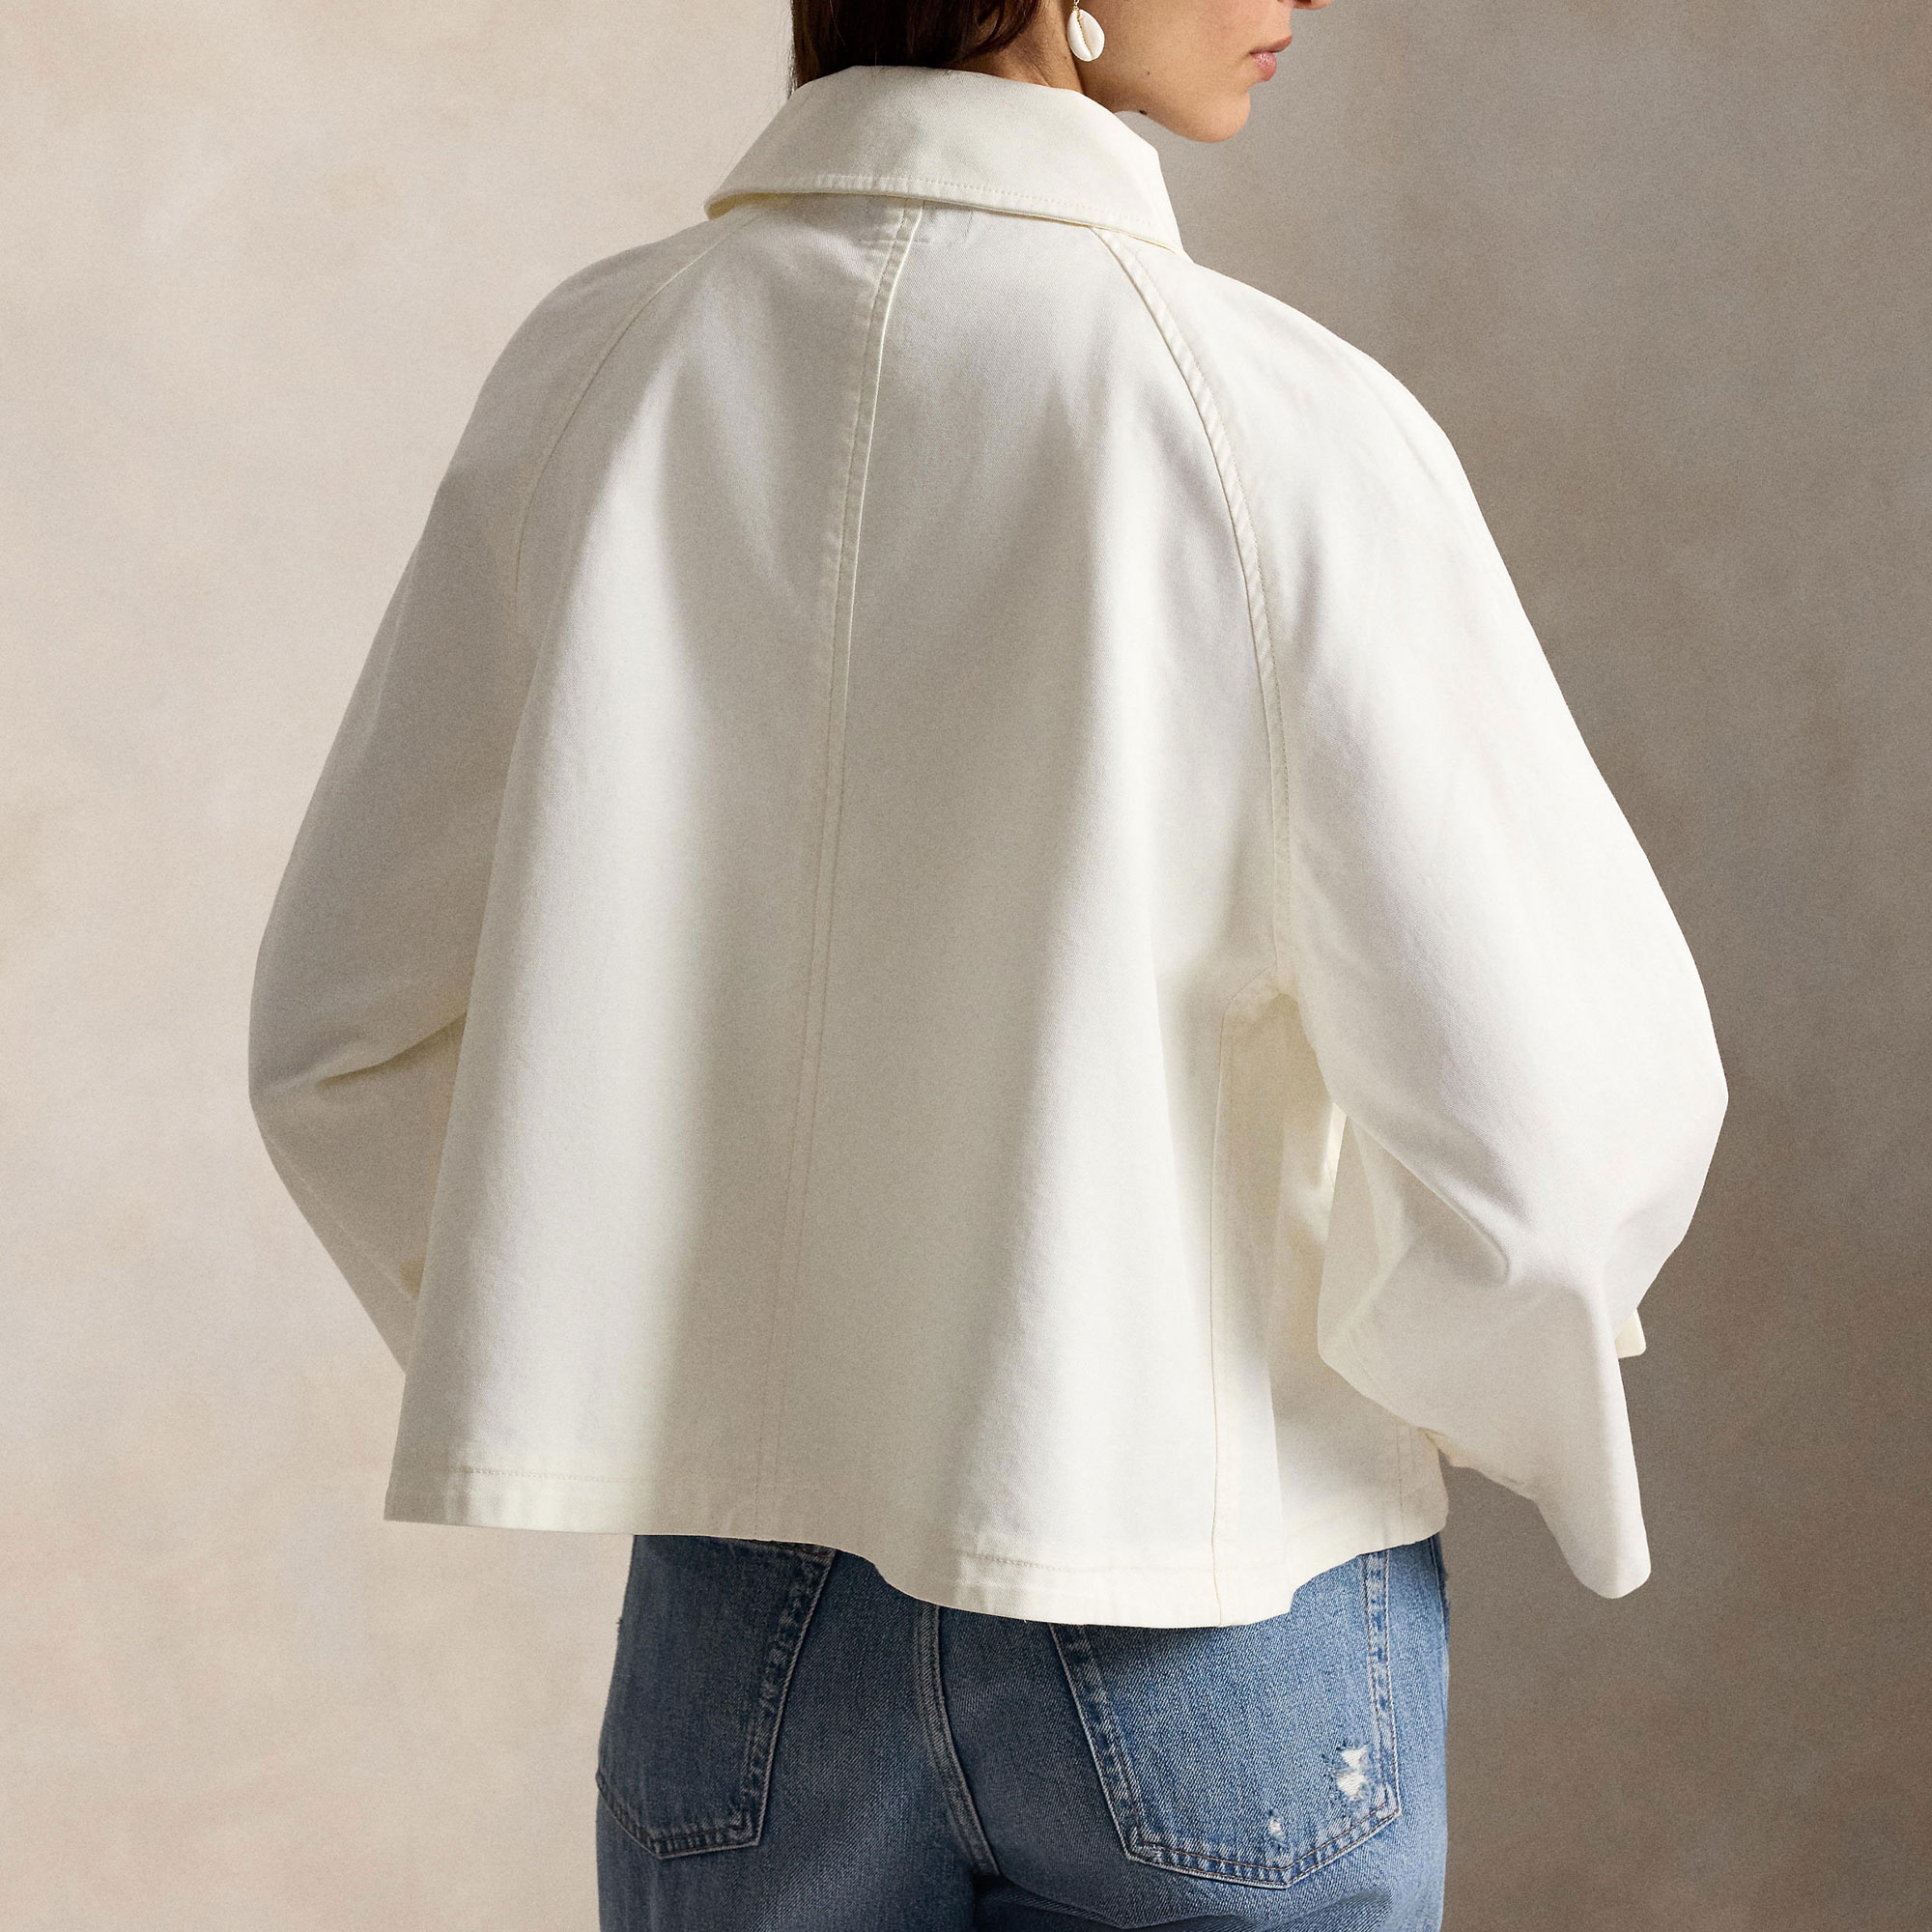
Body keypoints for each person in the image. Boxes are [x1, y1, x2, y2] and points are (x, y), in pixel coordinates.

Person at [247, 0, 1729, 1924]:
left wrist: (647, 1356)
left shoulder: (599, 370)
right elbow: (1550, 1141)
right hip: (1215, 1589)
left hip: (742, 1636)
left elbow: (340, 1038)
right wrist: (1375, 1385)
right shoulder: (1273, 422)